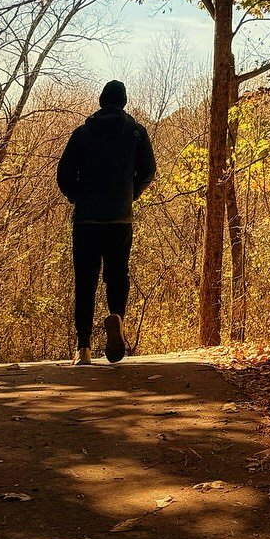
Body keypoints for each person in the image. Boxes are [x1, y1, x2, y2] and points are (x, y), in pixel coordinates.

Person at [56, 81, 157, 365]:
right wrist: (131, 193)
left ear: (101, 101)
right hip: (119, 217)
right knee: (117, 273)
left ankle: (83, 348)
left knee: (85, 281)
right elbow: (148, 170)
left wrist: (78, 196)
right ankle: (117, 318)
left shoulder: (83, 134)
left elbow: (63, 175)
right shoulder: (136, 133)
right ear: (123, 102)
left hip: (87, 219)